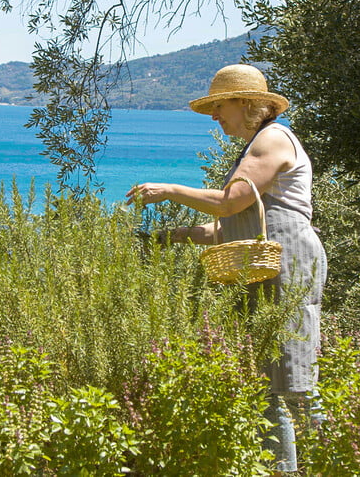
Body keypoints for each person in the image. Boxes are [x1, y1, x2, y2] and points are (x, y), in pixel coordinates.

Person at [126, 63, 327, 474]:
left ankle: (340, 461)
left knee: (295, 377)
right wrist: (175, 236)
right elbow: (227, 225)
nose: (215, 116)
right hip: (266, 267)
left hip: (289, 265)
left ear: (246, 102)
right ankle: (284, 470)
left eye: (220, 105)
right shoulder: (255, 144)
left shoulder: (272, 139)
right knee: (270, 379)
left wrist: (170, 191)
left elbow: (229, 203)